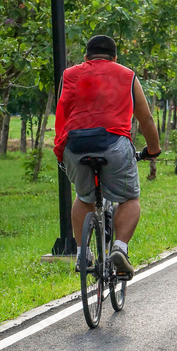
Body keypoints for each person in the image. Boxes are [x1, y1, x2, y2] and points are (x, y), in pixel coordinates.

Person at [53, 35, 161, 279]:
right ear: (114, 58)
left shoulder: (69, 74)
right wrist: (153, 150)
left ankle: (82, 254)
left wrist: (61, 153)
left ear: (85, 58)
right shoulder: (126, 75)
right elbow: (146, 119)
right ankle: (120, 249)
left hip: (75, 146)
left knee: (83, 197)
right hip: (113, 143)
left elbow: (61, 113)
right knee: (130, 198)